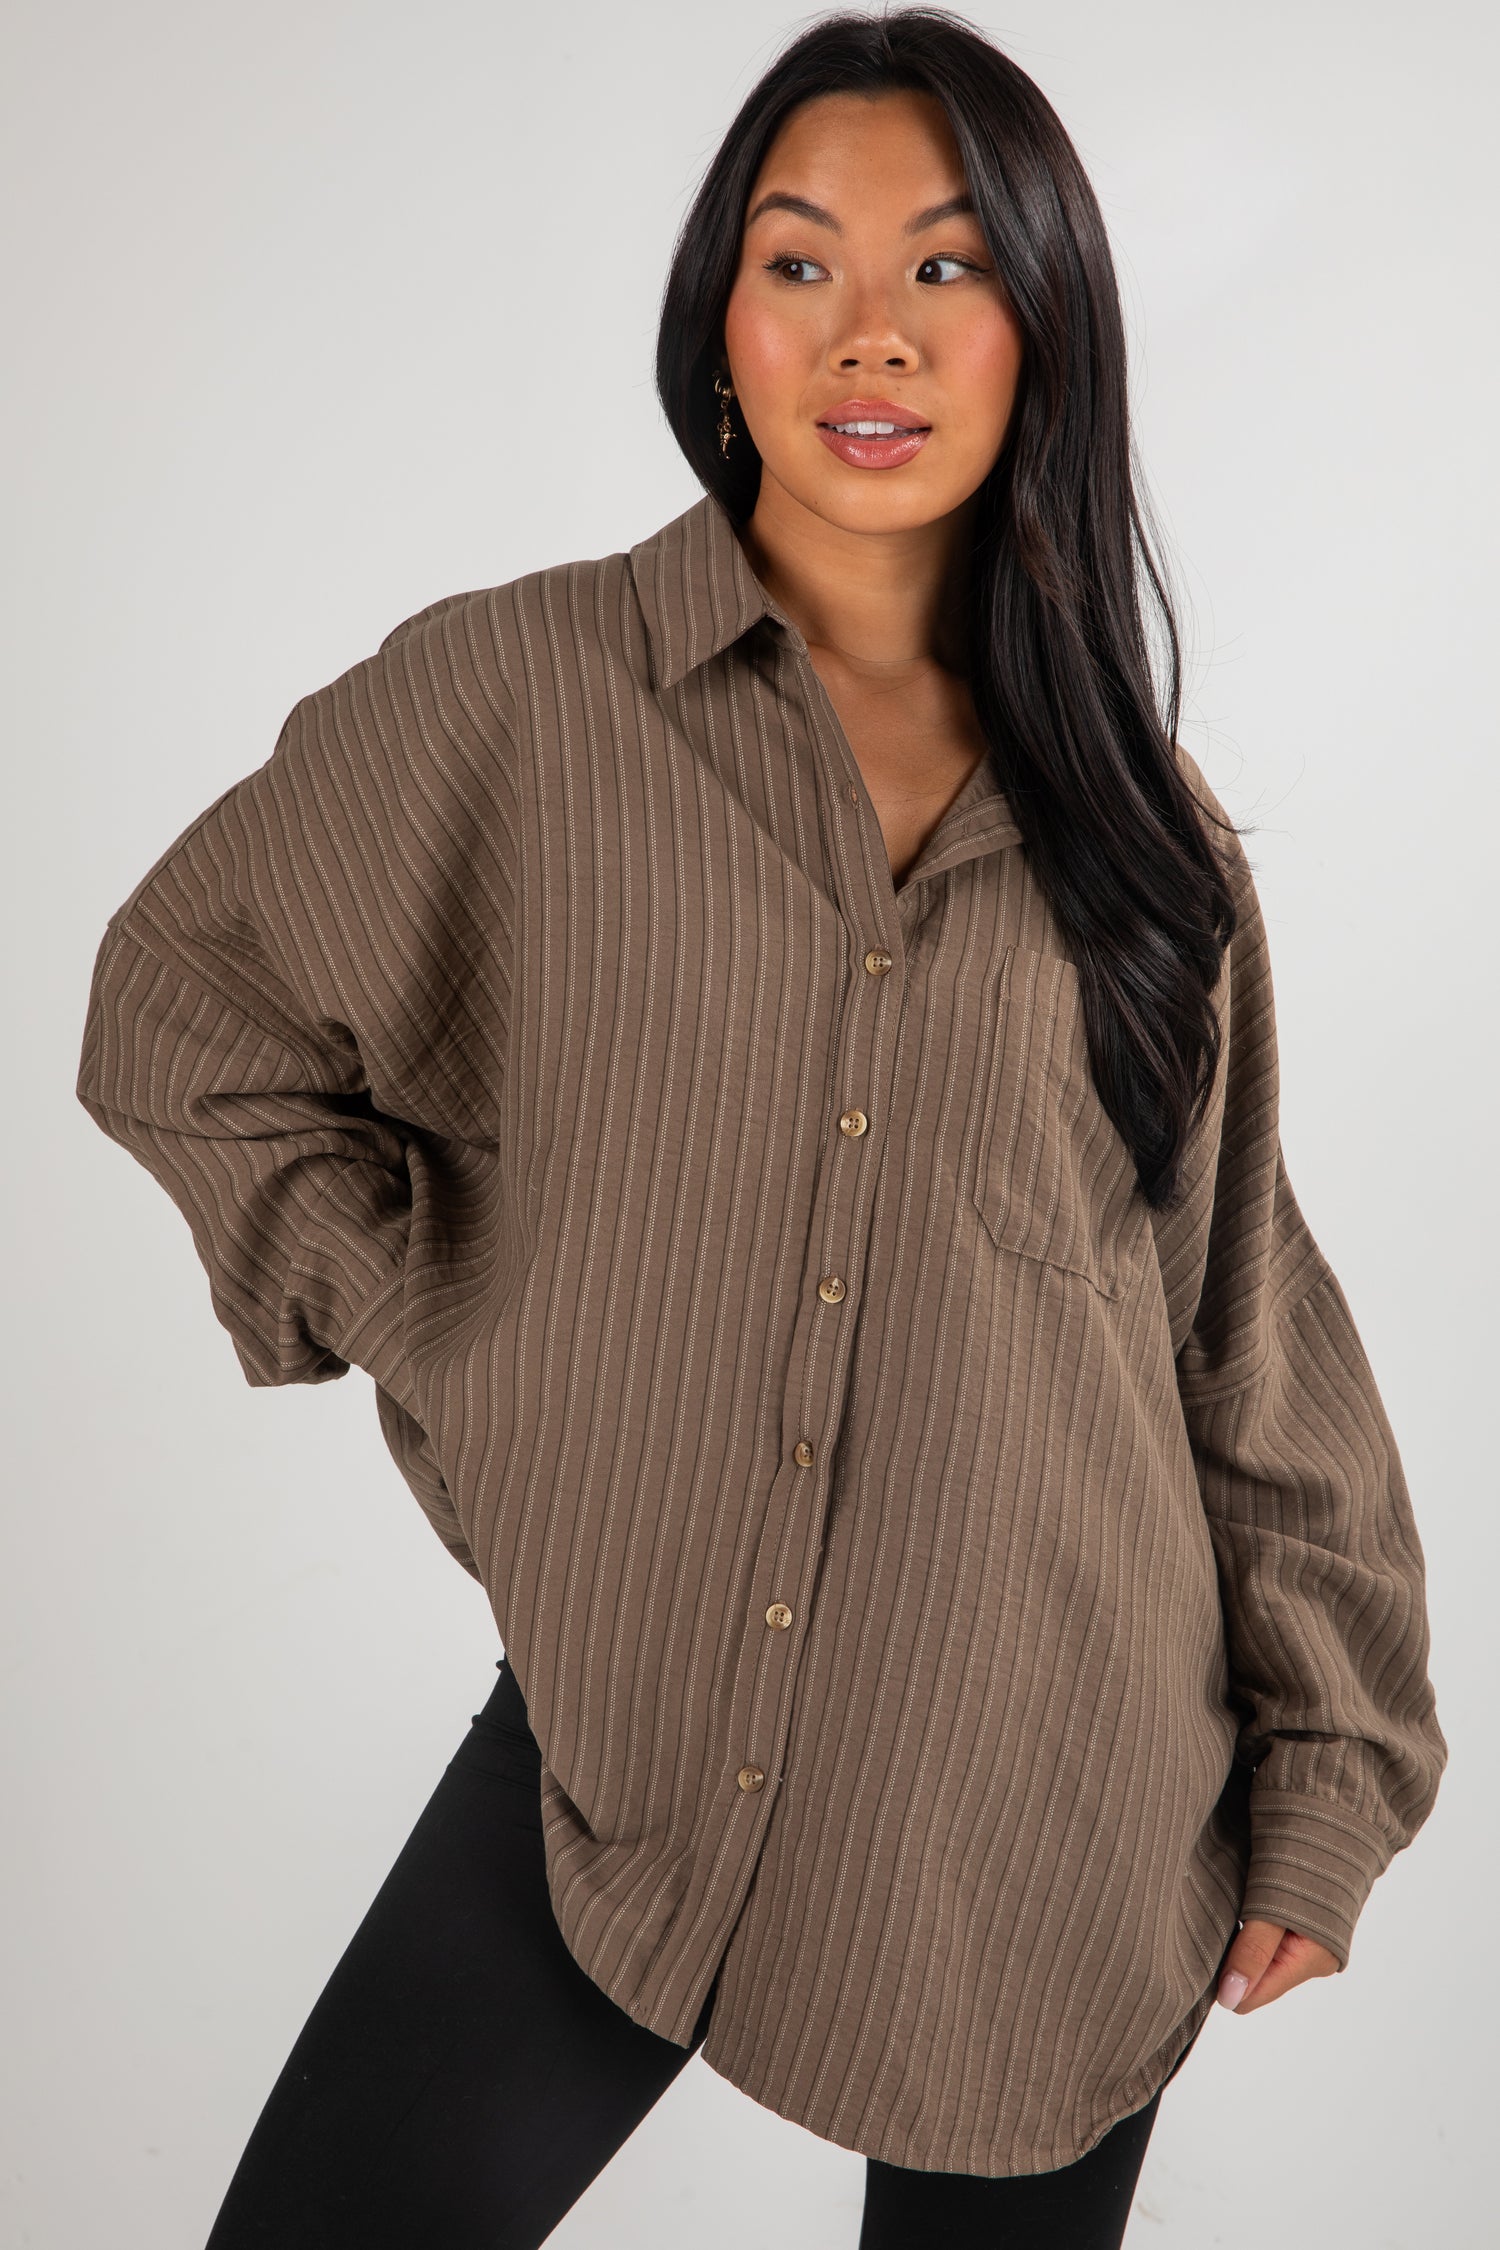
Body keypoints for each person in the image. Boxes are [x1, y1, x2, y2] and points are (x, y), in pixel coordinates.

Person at [74, 9, 1447, 2246]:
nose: (871, 330)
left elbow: (1237, 1332)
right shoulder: (514, 699)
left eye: (949, 266)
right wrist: (447, 1316)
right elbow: (181, 1006)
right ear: (721, 323)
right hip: (618, 1734)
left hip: (1052, 1798)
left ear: (1045, 331)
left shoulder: (1150, 843)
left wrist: (1331, 1776)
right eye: (800, 262)